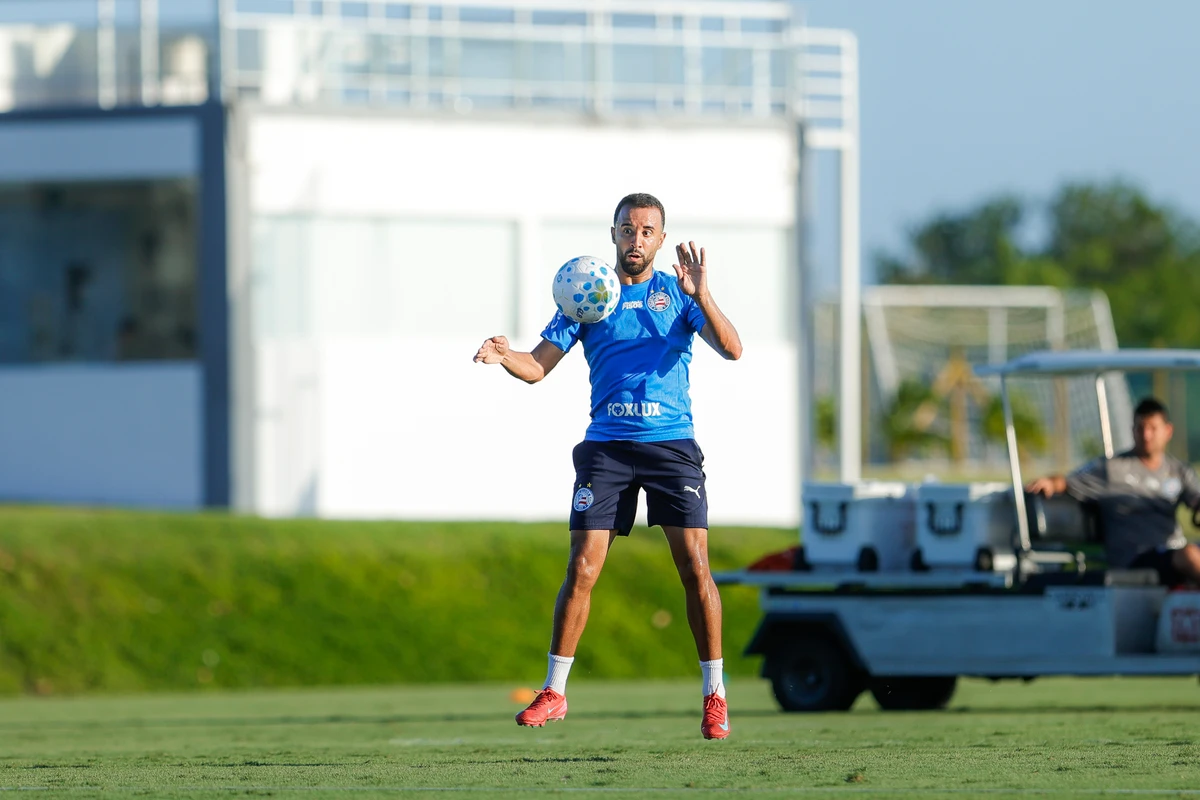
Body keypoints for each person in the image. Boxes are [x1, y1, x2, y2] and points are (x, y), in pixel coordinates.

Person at [473, 192, 743, 740]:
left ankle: (715, 697)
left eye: (647, 231)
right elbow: (537, 367)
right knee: (583, 568)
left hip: (671, 447)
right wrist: (505, 357)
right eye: (627, 229)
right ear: (614, 234)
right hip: (608, 450)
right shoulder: (588, 294)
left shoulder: (679, 294)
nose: (636, 239)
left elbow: (733, 349)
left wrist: (705, 295)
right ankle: (554, 690)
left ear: (661, 240)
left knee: (695, 569)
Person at [1026, 397, 1200, 585]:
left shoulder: (1179, 471)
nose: (1146, 435)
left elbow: (1196, 498)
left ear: (1168, 431)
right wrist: (1050, 482)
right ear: (1132, 430)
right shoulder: (1112, 469)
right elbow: (1068, 481)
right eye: (1140, 428)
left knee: (1188, 553)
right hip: (1135, 558)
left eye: (1152, 428)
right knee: (1188, 555)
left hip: (1171, 551)